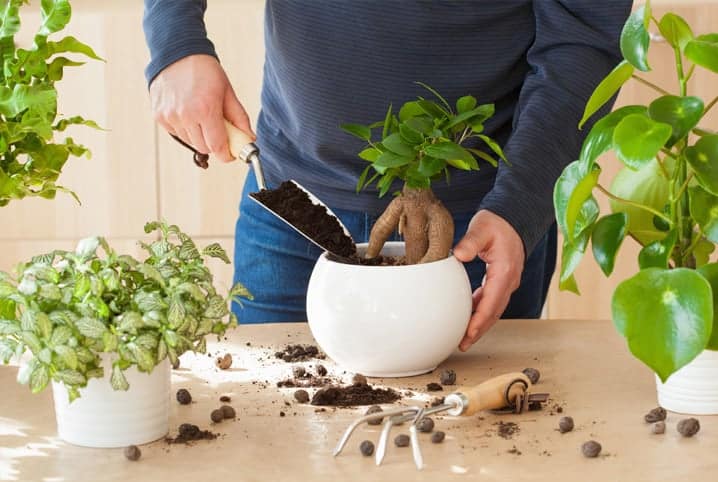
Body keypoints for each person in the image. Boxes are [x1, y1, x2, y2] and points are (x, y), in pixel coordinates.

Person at [143, 1, 631, 351]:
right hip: (291, 206)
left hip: (483, 224)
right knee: (269, 436)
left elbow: (585, 38)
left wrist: (518, 206)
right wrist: (176, 42)